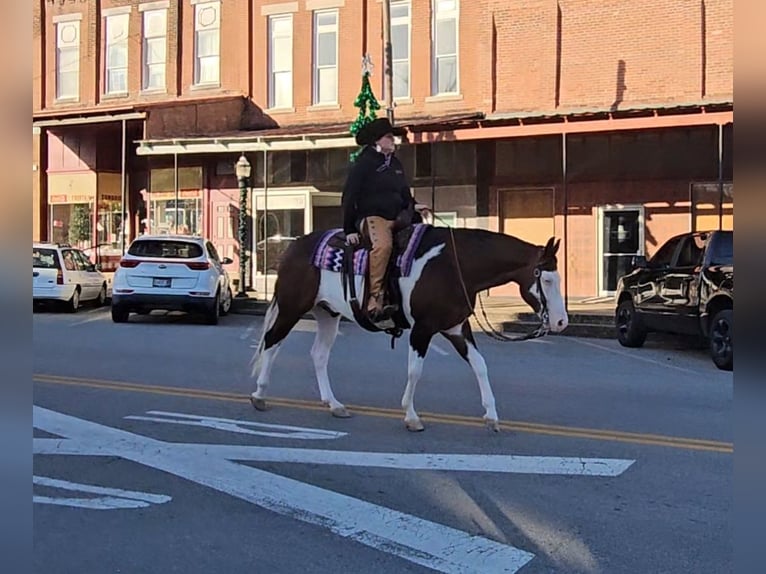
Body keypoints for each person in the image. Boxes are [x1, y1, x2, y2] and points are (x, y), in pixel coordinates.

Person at [342, 117, 429, 323]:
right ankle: (375, 298)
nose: (393, 141)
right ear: (377, 141)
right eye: (389, 137)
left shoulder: (395, 164)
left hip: (398, 217)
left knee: (421, 239)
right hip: (373, 218)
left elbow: (403, 192)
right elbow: (349, 196)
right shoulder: (363, 163)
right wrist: (349, 230)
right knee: (383, 246)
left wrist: (415, 205)